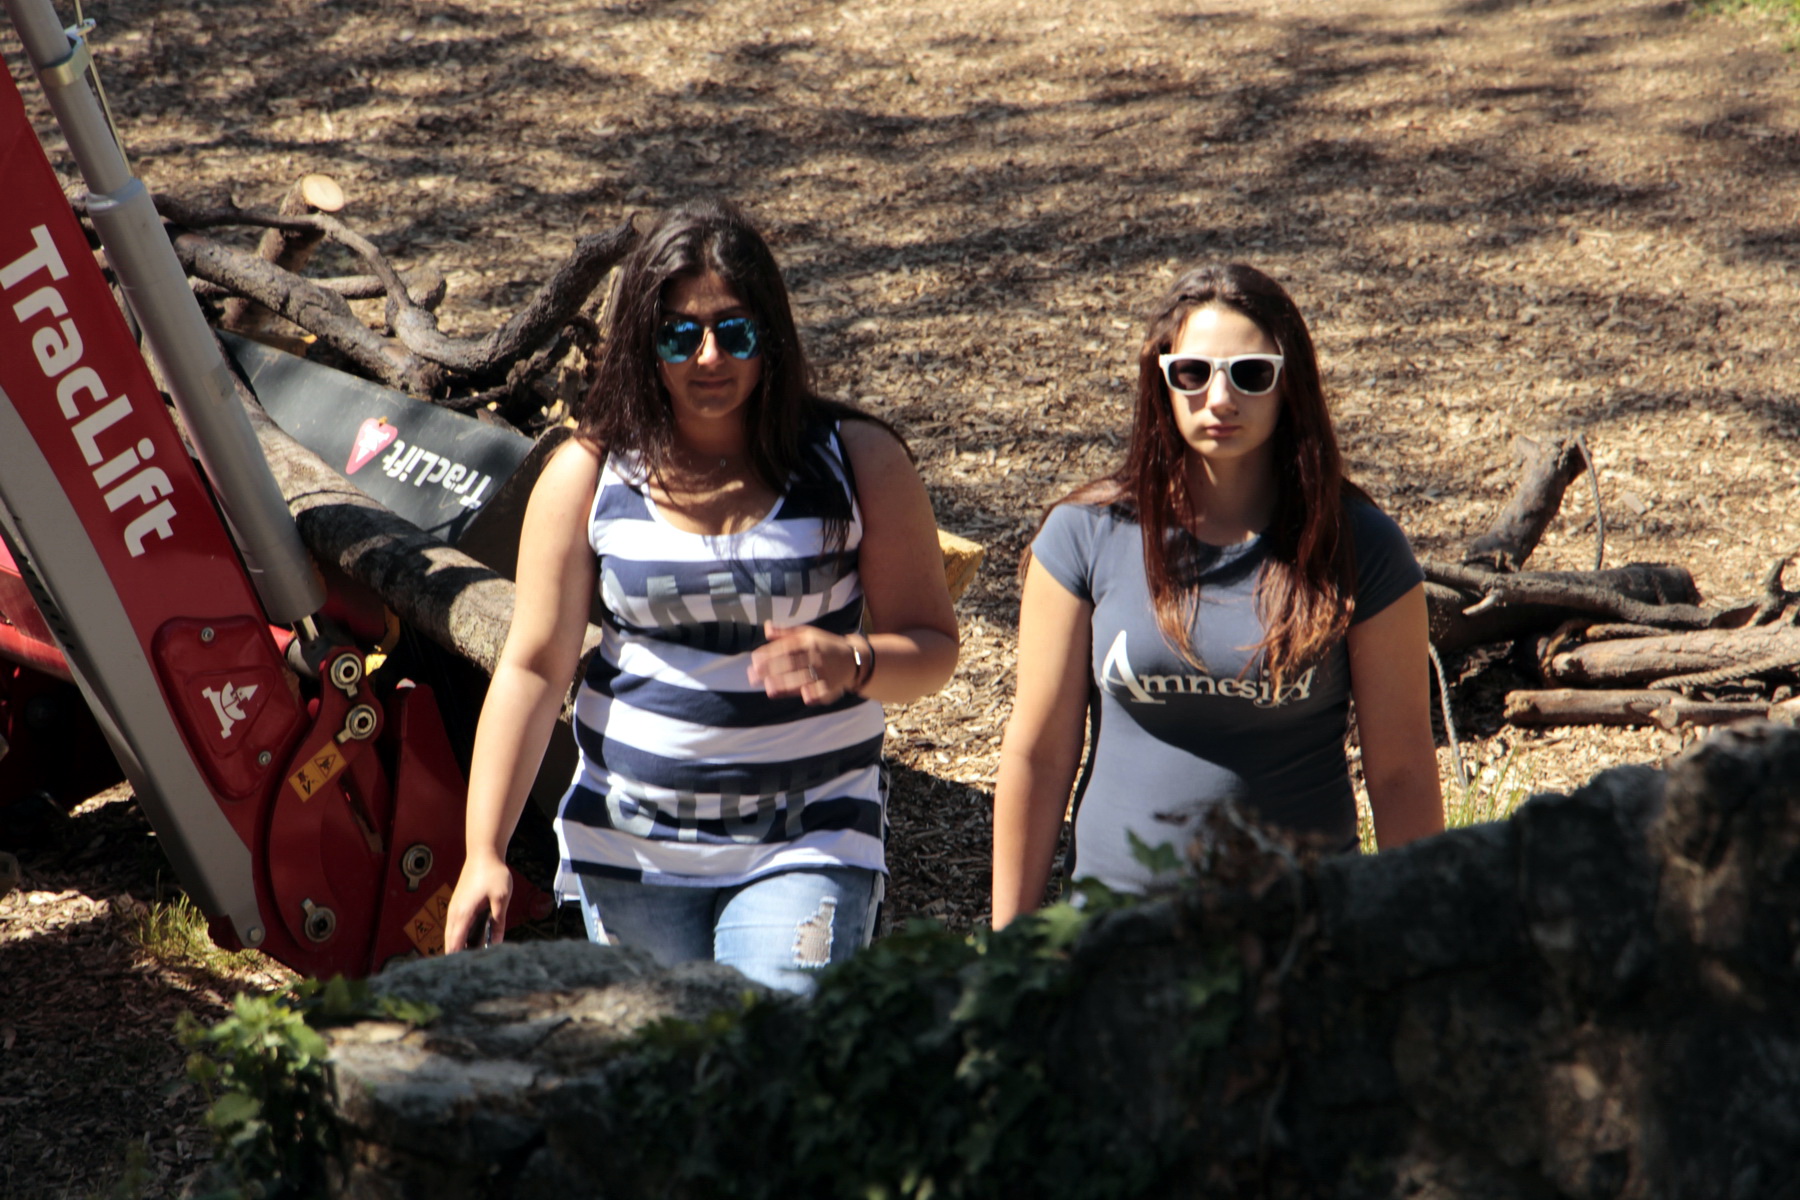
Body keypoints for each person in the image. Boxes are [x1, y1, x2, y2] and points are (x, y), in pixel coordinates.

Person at [444, 199, 959, 993]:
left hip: (809, 836)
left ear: (771, 336)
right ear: (643, 344)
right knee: (667, 1063)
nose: (709, 356)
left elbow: (932, 648)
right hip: (630, 852)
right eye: (679, 335)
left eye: (735, 331)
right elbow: (534, 668)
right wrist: (484, 851)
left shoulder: (857, 460)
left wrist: (853, 660)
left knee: (768, 1043)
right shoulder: (588, 475)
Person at [990, 263, 1443, 928]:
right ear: (1162, 380)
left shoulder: (1362, 547)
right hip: (1111, 939)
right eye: (1193, 373)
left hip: (1299, 942)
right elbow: (1038, 756)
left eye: (1251, 374)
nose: (1220, 398)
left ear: (1289, 384)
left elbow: (1401, 772)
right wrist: (1010, 949)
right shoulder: (1085, 535)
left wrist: (1420, 946)